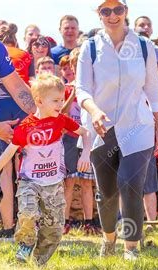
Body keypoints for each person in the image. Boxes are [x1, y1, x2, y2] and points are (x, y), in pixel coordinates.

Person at [76, 0, 158, 260]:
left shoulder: (144, 46)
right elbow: (81, 89)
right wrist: (93, 111)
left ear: (126, 11)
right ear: (98, 14)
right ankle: (108, 239)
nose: (112, 15)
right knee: (107, 193)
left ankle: (132, 247)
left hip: (138, 126)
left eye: (118, 10)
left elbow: (154, 89)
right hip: (101, 128)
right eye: (106, 11)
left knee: (130, 184)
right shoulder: (90, 47)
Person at [0, 73, 91, 264]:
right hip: (29, 181)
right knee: (28, 213)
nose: (60, 104)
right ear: (38, 101)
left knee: (54, 230)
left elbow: (84, 132)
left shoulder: (61, 120)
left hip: (53, 184)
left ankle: (39, 261)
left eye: (62, 100)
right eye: (55, 100)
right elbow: (10, 152)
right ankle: (25, 244)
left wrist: (86, 152)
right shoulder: (25, 127)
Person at [0, 24, 32, 239]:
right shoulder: (21, 53)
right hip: (8, 118)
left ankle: (7, 228)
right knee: (18, 172)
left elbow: (13, 87)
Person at [61, 48, 97, 235]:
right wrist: (72, 94)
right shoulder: (66, 88)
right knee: (69, 181)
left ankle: (89, 222)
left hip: (87, 136)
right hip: (69, 138)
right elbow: (62, 113)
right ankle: (65, 221)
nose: (76, 68)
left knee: (86, 182)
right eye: (73, 65)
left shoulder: (92, 88)